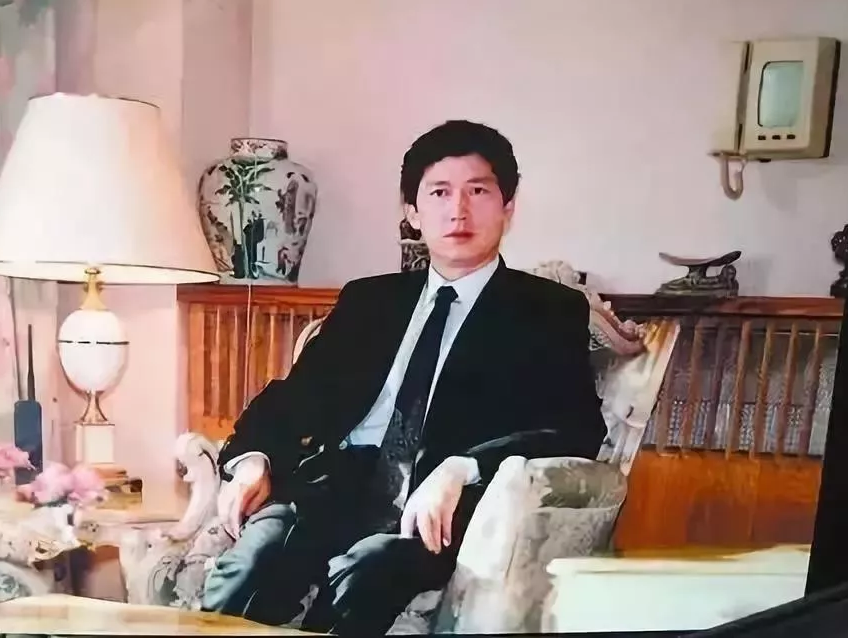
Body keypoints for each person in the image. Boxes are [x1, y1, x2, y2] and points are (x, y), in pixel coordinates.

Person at [200, 119, 607, 634]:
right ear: (412, 212)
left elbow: (575, 429)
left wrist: (463, 467)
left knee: (366, 571)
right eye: (439, 192)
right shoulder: (370, 301)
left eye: (478, 191)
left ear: (508, 207)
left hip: (441, 509)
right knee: (251, 560)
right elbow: (293, 398)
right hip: (334, 488)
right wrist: (252, 460)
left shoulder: (546, 310)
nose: (458, 210)